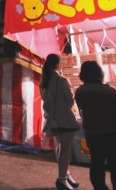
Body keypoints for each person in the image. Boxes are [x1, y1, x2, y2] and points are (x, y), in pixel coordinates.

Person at [39, 54, 80, 190]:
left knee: (60, 147)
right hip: (65, 119)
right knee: (65, 150)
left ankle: (65, 174)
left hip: (53, 119)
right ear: (58, 64)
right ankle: (62, 178)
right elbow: (70, 101)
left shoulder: (43, 80)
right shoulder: (62, 80)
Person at [75, 60, 116, 190]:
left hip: (92, 133)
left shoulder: (80, 92)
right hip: (111, 132)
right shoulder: (109, 91)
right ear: (99, 73)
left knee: (96, 163)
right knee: (114, 163)